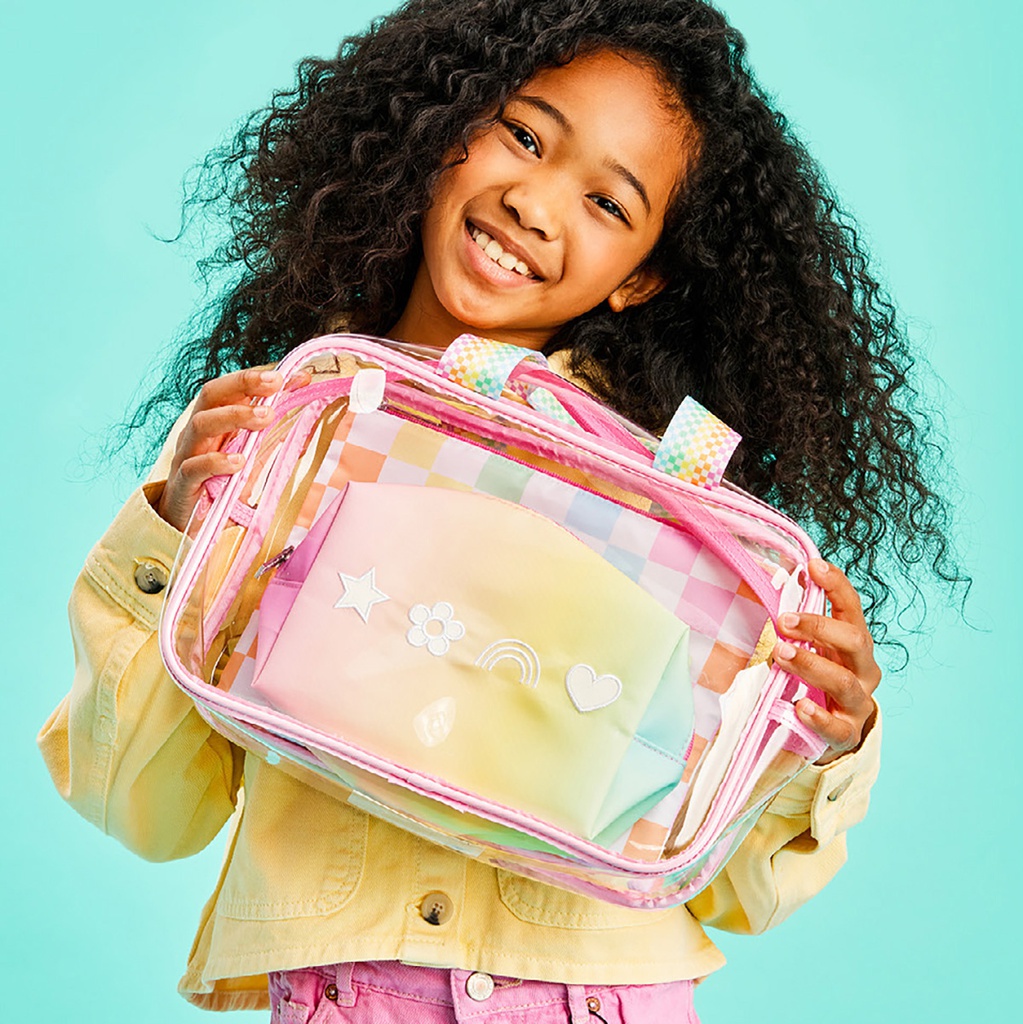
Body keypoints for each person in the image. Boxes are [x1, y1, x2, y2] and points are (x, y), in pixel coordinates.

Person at [39, 1, 964, 1020]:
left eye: (607, 203)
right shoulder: (274, 431)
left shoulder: (673, 513)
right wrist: (171, 533)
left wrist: (821, 736)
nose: (535, 204)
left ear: (642, 275)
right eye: (524, 135)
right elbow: (143, 809)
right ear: (446, 123)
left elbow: (741, 888)